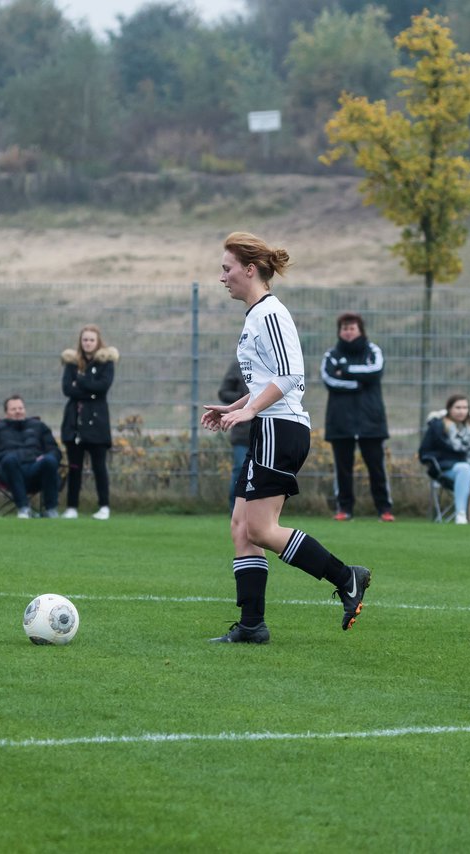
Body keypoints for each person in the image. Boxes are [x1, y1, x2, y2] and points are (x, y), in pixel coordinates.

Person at [201, 231, 370, 644]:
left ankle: (347, 576)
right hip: (268, 425)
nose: (222, 277)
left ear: (250, 269)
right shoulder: (255, 315)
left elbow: (292, 374)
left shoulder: (270, 314)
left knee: (260, 529)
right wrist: (235, 407)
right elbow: (266, 379)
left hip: (281, 428)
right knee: (241, 526)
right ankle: (252, 625)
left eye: (227, 269)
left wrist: (251, 410)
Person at [320, 311, 393, 522]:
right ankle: (344, 509)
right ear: (339, 331)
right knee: (343, 469)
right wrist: (356, 383)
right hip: (340, 421)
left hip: (371, 420)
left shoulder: (373, 351)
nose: (348, 332)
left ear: (360, 330)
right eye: (344, 328)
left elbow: (375, 371)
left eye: (352, 328)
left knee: (377, 467)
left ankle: (384, 509)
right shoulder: (331, 355)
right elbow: (329, 379)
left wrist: (345, 370)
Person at [60, 324, 118, 520]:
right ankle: (71, 507)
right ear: (80, 341)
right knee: (74, 467)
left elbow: (102, 387)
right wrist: (88, 388)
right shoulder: (71, 362)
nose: (88, 343)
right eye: (85, 339)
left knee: (98, 466)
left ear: (98, 341)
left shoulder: (106, 363)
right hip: (74, 421)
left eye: (91, 340)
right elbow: (67, 389)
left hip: (97, 422)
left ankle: (104, 506)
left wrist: (81, 381)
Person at [417, 393, 470, 524]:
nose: (461, 411)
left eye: (465, 407)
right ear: (449, 409)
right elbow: (425, 452)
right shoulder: (437, 427)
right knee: (464, 468)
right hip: (448, 469)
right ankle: (460, 514)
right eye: (457, 407)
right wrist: (438, 460)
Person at [0, 395, 62, 519]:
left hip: (35, 469)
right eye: (13, 409)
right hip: (8, 471)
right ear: (6, 413)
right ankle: (23, 508)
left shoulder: (39, 426)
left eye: (20, 408)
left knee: (49, 460)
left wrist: (46, 456)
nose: (18, 411)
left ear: (25, 410)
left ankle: (50, 510)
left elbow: (54, 450)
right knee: (9, 459)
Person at [218, 359, 251, 513]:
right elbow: (223, 392)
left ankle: (255, 510)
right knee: (240, 470)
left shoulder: (270, 365)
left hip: (265, 431)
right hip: (242, 431)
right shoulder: (238, 366)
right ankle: (235, 509)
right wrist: (242, 398)